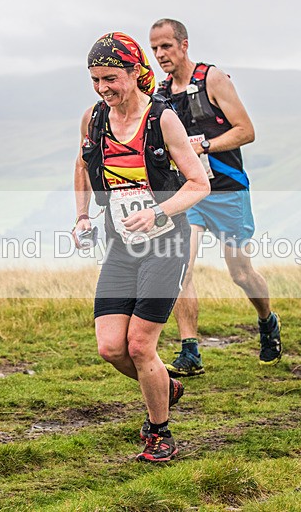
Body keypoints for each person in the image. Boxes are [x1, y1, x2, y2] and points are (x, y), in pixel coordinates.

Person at [73, 32, 209, 461]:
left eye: (111, 78)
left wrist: (159, 212)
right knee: (110, 347)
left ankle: (159, 431)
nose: (103, 88)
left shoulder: (162, 119)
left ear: (134, 71)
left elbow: (199, 183)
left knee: (139, 346)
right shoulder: (94, 119)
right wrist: (81, 217)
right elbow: (80, 166)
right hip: (121, 245)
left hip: (166, 244)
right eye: (95, 80)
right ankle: (165, 387)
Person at [148, 18, 282, 377]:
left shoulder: (212, 79)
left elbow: (246, 130)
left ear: (184, 44)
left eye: (166, 46)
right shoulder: (161, 95)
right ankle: (190, 351)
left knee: (240, 273)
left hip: (226, 189)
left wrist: (204, 145)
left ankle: (267, 320)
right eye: (155, 48)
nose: (160, 54)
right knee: (181, 266)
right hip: (189, 194)